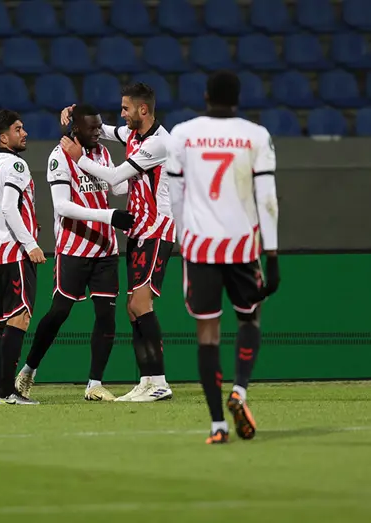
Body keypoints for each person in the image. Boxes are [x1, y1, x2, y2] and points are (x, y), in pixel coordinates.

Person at [166, 71, 280, 444]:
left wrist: (184, 239)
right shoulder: (255, 135)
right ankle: (240, 390)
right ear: (237, 98)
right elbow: (267, 198)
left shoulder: (182, 134)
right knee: (250, 318)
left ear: (205, 95)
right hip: (242, 246)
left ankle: (217, 425)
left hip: (201, 247)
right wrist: (273, 254)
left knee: (207, 334)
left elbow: (175, 194)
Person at [59, 83, 175, 402]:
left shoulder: (158, 143)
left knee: (140, 305)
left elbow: (114, 178)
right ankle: (148, 379)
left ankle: (160, 381)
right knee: (133, 309)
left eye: (125, 109)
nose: (121, 115)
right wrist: (77, 116)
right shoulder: (133, 134)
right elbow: (107, 131)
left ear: (143, 109)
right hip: (138, 231)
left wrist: (78, 156)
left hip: (156, 229)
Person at [14, 105, 134, 402]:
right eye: (92, 129)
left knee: (107, 316)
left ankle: (94, 384)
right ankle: (28, 371)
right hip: (74, 249)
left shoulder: (101, 153)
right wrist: (110, 216)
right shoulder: (59, 156)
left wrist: (135, 172)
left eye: (99, 127)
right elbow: (63, 207)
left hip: (106, 249)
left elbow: (116, 188)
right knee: (59, 313)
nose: (97, 133)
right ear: (75, 129)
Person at [0, 110, 45, 405]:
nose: (25, 132)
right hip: (15, 252)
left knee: (5, 322)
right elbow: (8, 208)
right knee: (19, 318)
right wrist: (30, 243)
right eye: (19, 129)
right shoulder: (17, 164)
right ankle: (8, 392)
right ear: (4, 137)